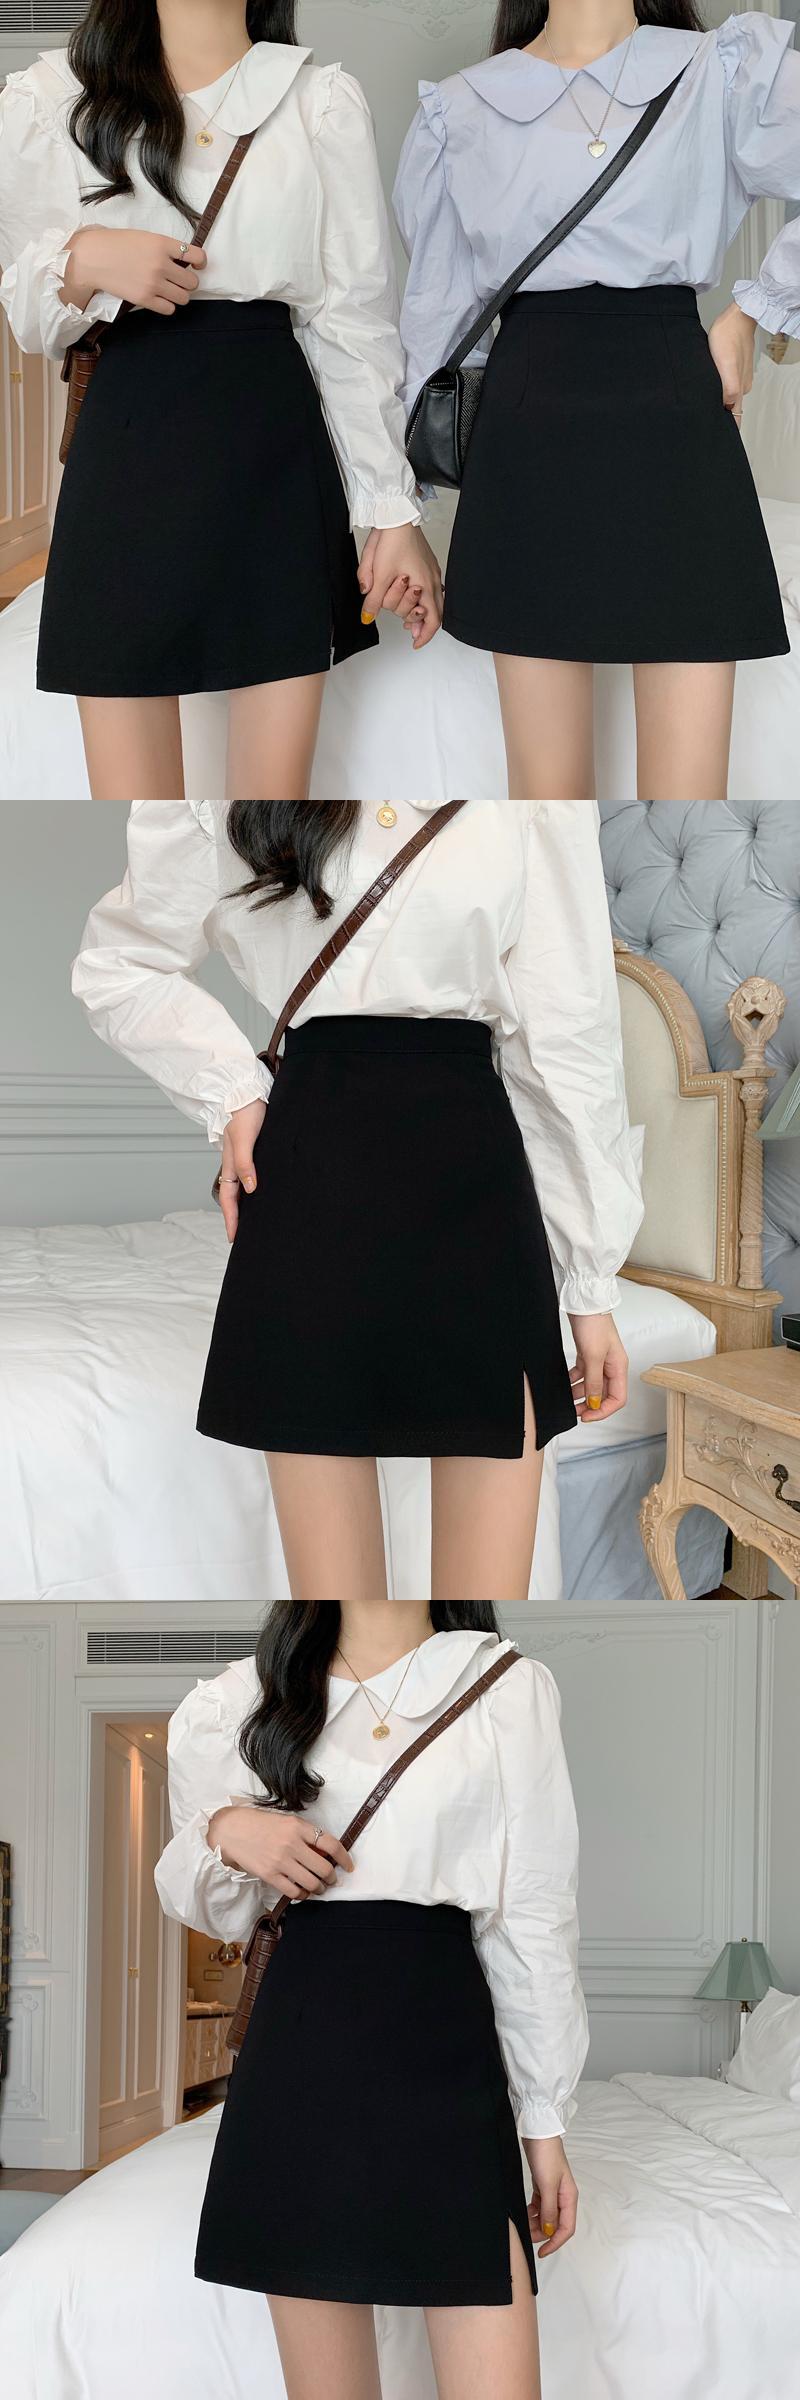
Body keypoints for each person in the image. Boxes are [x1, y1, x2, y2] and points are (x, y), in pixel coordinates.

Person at [71, 798, 644, 1603]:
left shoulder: (530, 796)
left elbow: (566, 1034)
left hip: (475, 1184)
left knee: (481, 1619)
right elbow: (119, 963)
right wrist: (233, 1091)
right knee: (337, 1620)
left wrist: (590, 1284)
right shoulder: (224, 787)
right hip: (310, 1179)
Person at [0, 0, 442, 801]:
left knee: (270, 817)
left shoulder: (317, 102)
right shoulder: (50, 99)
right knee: (139, 814)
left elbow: (352, 325)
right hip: (126, 456)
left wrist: (392, 511)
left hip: (275, 461)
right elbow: (31, 321)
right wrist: (86, 259)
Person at [154, 1599, 589, 2400]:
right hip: (299, 2053)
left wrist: (544, 2121)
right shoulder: (237, 1701)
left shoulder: (503, 1686)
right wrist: (226, 1830)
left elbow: (531, 1915)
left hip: (444, 2039)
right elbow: (207, 1905)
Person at [393, 0, 800, 801]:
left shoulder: (722, 69)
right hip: (527, 436)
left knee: (688, 806)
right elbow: (437, 328)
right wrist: (402, 514)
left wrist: (753, 314)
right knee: (546, 805)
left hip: (676, 423)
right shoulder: (462, 109)